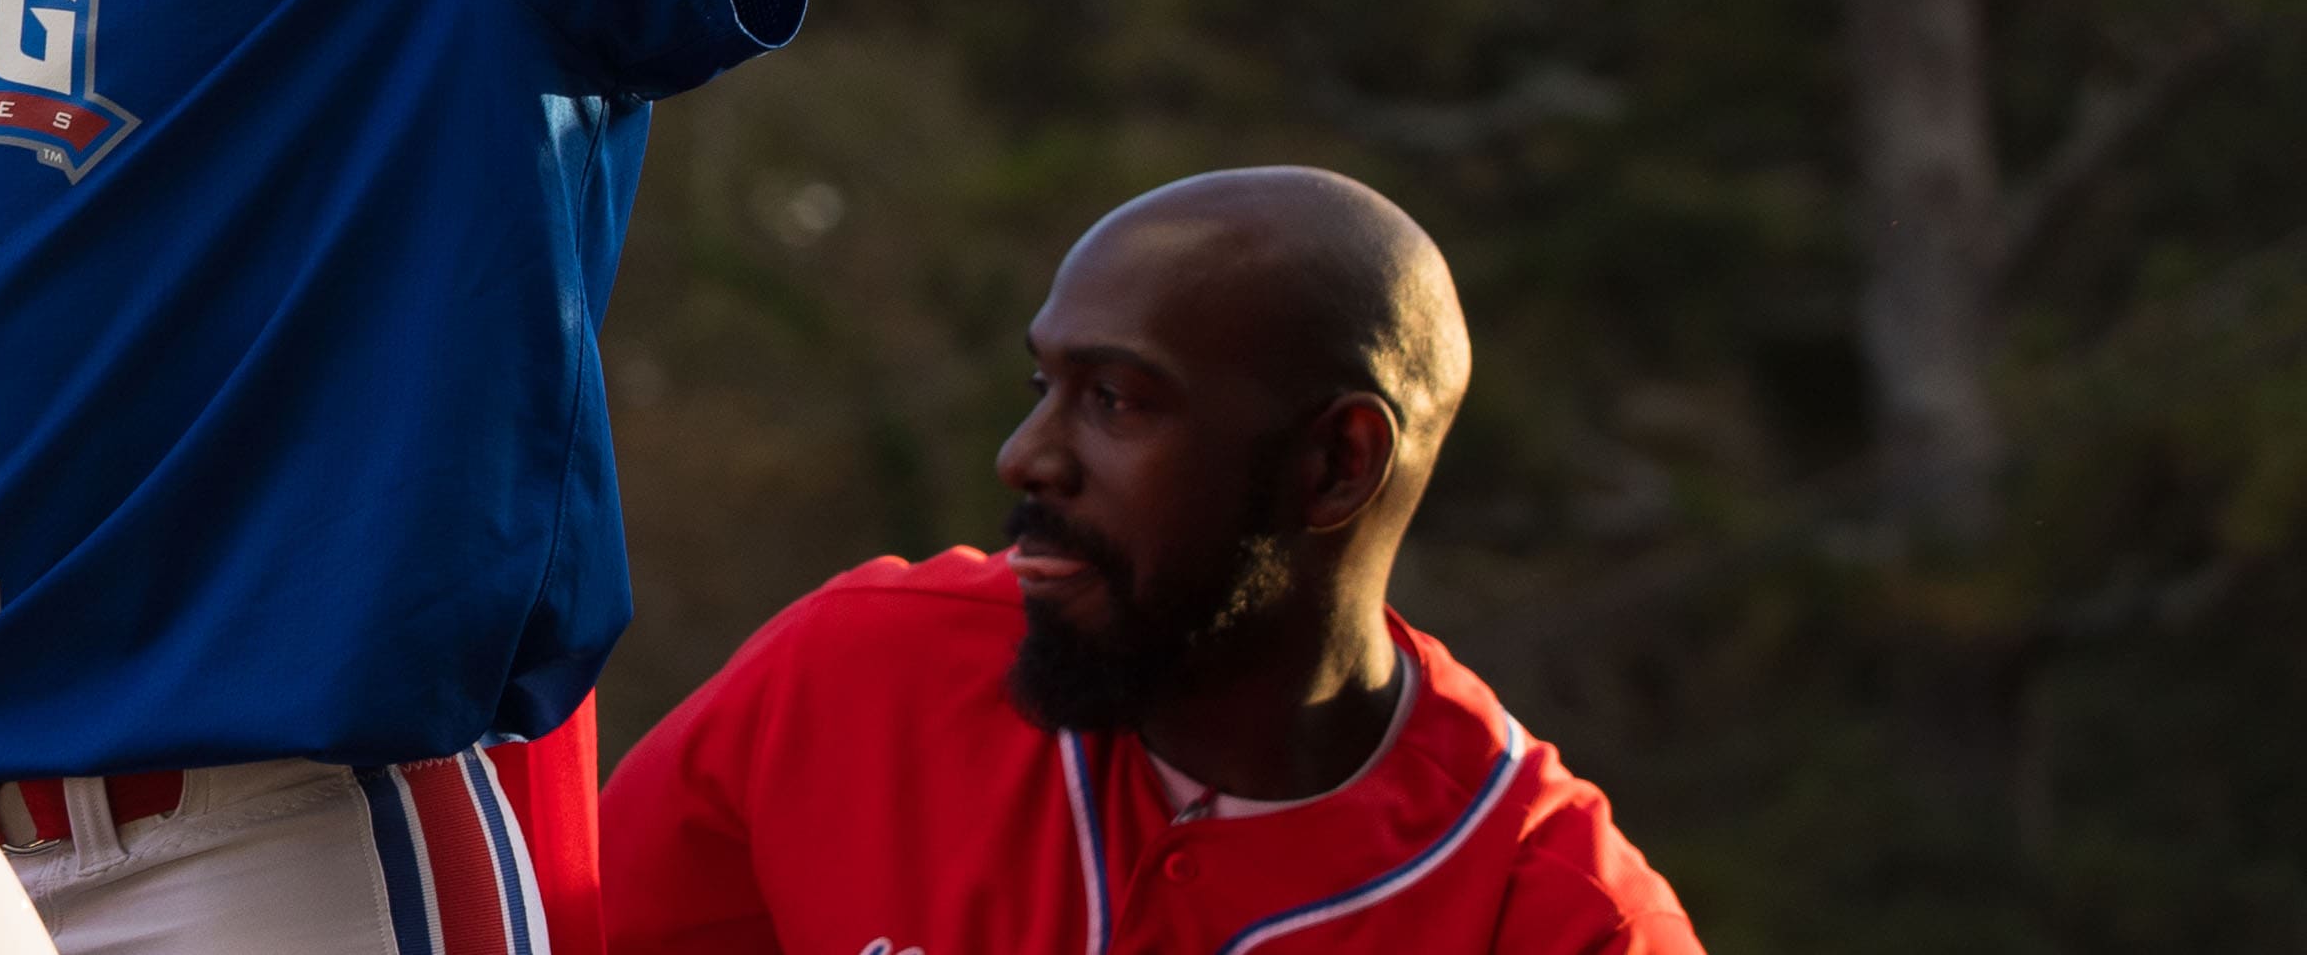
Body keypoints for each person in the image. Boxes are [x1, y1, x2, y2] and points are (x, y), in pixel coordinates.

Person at [604, 169, 1699, 955]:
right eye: (1044, 389)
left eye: (1115, 401)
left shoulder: (1562, 921)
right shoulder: (857, 671)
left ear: (1335, 463)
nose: (1024, 457)